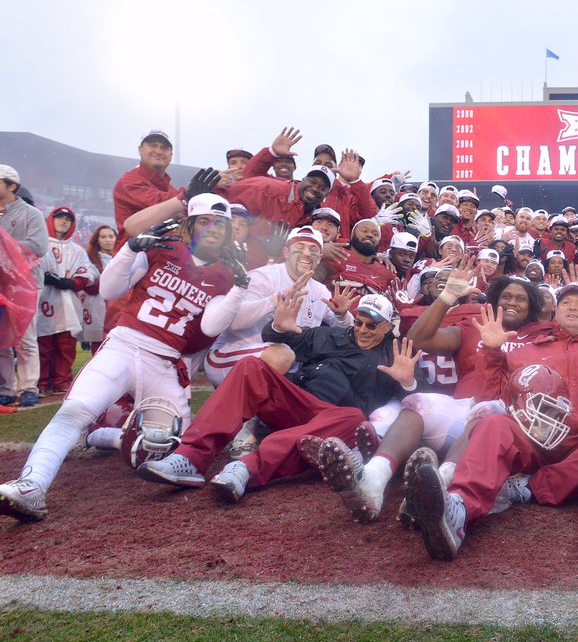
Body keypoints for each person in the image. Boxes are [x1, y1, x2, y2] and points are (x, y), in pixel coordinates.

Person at [0, 195, 236, 522]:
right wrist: (131, 249)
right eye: (205, 221)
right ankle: (33, 484)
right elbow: (109, 289)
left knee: (166, 449)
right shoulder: (162, 246)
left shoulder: (227, 274)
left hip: (166, 363)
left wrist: (241, 287)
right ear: (190, 225)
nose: (212, 229)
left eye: (220, 224)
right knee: (75, 411)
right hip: (124, 346)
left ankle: (108, 436)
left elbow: (208, 331)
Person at [404, 283, 578, 561]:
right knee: (493, 423)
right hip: (533, 438)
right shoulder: (528, 347)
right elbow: (491, 396)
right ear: (554, 313)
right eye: (565, 303)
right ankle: (458, 510)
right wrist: (491, 352)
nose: (572, 307)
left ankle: (527, 488)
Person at [307, 272, 544, 523]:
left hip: (504, 423)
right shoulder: (474, 328)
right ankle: (372, 480)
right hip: (461, 411)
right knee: (418, 402)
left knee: (487, 411)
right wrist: (446, 297)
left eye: (521, 298)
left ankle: (438, 488)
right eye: (506, 296)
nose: (512, 302)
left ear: (532, 307)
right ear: (495, 300)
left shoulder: (542, 339)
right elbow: (418, 338)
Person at [136, 294, 405, 502]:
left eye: (371, 324)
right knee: (250, 367)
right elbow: (275, 336)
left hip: (335, 421)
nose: (362, 329)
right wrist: (279, 326)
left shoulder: (394, 356)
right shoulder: (332, 334)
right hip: (297, 401)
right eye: (358, 321)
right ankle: (191, 456)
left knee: (354, 418)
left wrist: (407, 381)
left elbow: (416, 403)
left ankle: (246, 469)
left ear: (387, 327)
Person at [201, 226, 352, 387]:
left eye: (313, 249)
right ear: (286, 253)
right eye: (300, 247)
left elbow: (348, 331)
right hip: (229, 355)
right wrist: (276, 299)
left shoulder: (320, 291)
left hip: (283, 365)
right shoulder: (262, 277)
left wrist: (342, 315)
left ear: (320, 258)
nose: (307, 253)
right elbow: (234, 322)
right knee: (281, 356)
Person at [0, 165, 49, 407]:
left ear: (11, 186)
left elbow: (39, 247)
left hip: (25, 284)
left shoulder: (31, 213)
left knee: (25, 337)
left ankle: (29, 386)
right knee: (1, 339)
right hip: (1, 283)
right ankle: (6, 388)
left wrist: (4, 244)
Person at [36, 207, 98, 394]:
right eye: (59, 218)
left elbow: (87, 273)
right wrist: (45, 276)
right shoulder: (41, 244)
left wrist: (71, 282)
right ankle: (41, 382)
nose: (63, 221)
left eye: (68, 219)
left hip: (67, 302)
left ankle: (62, 381)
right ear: (51, 220)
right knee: (43, 344)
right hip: (44, 298)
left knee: (66, 345)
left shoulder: (77, 249)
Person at [79, 225, 116, 350]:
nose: (108, 240)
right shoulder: (90, 260)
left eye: (111, 236)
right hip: (98, 310)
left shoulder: (122, 257)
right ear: (97, 240)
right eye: (103, 237)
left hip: (118, 311)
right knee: (99, 349)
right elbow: (89, 286)